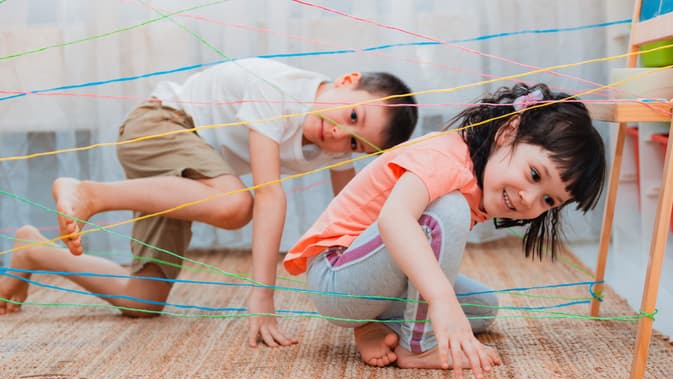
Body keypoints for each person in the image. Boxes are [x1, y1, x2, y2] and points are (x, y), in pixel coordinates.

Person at [0, 58, 418, 349]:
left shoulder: (334, 148)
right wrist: (262, 294)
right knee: (236, 205)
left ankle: (33, 250)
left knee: (142, 300)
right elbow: (270, 194)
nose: (339, 137)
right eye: (353, 118)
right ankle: (90, 193)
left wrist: (370, 293)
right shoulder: (281, 91)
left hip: (186, 180)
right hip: (159, 125)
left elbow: (349, 212)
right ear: (347, 80)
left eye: (355, 144)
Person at [282, 83, 606, 379]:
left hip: (367, 281)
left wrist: (446, 301)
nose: (529, 199)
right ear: (508, 132)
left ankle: (376, 324)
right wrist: (440, 299)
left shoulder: (478, 176)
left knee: (483, 307)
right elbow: (394, 219)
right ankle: (418, 345)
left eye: (548, 200)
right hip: (337, 279)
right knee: (449, 211)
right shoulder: (446, 156)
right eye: (534, 174)